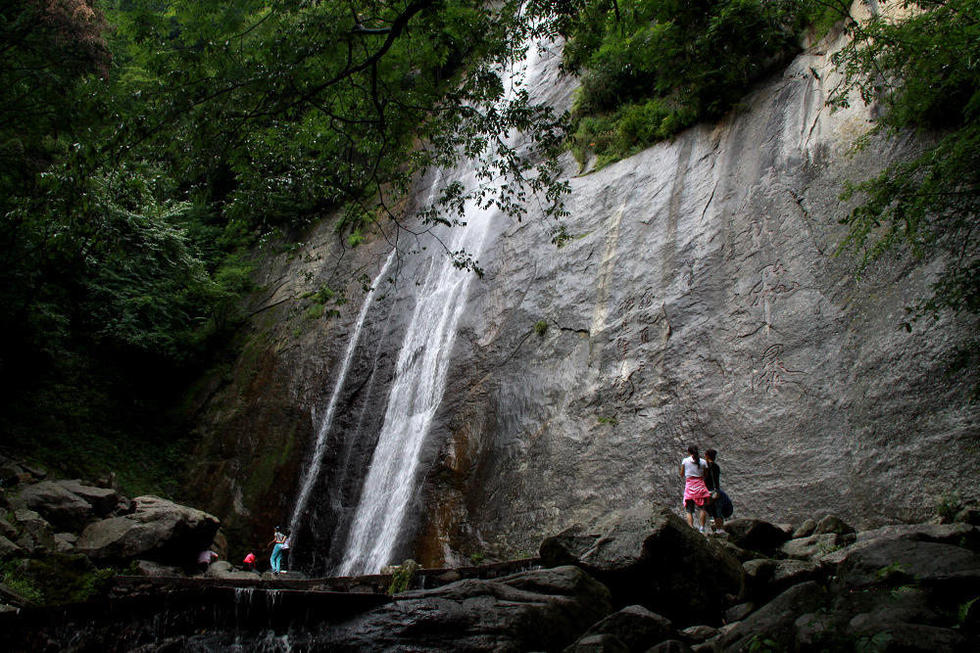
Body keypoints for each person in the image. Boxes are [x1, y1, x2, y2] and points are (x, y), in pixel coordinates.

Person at [680, 445, 711, 533]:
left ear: (689, 452)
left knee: (689, 510)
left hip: (690, 485)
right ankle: (702, 528)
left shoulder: (685, 461)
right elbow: (706, 475)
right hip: (700, 485)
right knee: (702, 508)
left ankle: (691, 527)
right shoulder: (703, 462)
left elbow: (681, 473)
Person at [703, 448, 724, 532]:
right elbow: (716, 480)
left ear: (707, 456)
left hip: (707, 491)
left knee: (707, 510)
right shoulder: (716, 467)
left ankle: (710, 529)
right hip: (716, 491)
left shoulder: (704, 466)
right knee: (717, 511)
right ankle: (719, 529)